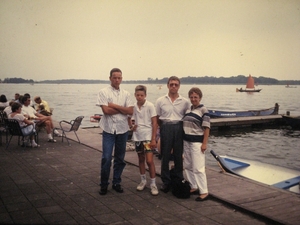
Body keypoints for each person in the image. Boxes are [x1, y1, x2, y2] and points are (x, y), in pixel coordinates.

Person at [96, 68, 134, 195]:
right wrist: (123, 109)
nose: (117, 80)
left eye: (119, 77)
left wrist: (114, 105)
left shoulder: (126, 94)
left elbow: (130, 112)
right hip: (108, 129)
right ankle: (104, 184)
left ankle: (117, 182)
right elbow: (106, 111)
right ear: (110, 78)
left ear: (122, 79)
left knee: (120, 158)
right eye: (114, 77)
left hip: (122, 130)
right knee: (106, 158)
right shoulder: (103, 92)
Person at [155, 76, 190, 193]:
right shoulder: (160, 100)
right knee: (165, 156)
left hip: (179, 127)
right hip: (166, 127)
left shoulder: (185, 102)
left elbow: (188, 117)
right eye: (171, 84)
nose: (173, 86)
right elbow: (158, 118)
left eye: (176, 84)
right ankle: (166, 181)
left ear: (179, 86)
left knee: (178, 156)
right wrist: (162, 129)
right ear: (167, 85)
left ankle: (179, 178)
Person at [128, 85, 159, 196]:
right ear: (135, 95)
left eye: (142, 95)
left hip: (147, 137)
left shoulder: (150, 106)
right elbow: (128, 117)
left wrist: (153, 139)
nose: (139, 97)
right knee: (141, 159)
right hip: (137, 137)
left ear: (145, 95)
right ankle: (143, 181)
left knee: (149, 161)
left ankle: (153, 184)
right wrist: (131, 127)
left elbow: (155, 123)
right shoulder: (134, 107)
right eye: (137, 95)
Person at [182, 87, 210, 201]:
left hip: (197, 142)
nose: (193, 99)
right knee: (188, 165)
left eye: (196, 97)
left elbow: (207, 128)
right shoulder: (188, 109)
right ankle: (193, 185)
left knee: (198, 167)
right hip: (187, 141)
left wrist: (204, 143)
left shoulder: (204, 110)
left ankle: (204, 191)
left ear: (200, 98)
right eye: (192, 97)